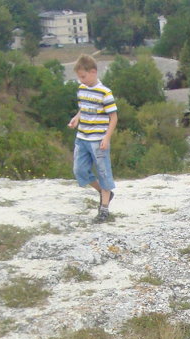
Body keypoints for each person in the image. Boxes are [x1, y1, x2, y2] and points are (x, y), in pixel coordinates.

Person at [68, 55, 117, 223]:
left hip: (98, 139)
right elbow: (84, 108)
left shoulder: (105, 92)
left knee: (103, 172)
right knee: (79, 170)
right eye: (79, 77)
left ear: (93, 72)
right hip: (82, 137)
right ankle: (106, 193)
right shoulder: (82, 89)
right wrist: (77, 117)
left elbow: (114, 117)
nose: (81, 80)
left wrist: (107, 138)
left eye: (83, 76)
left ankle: (104, 209)